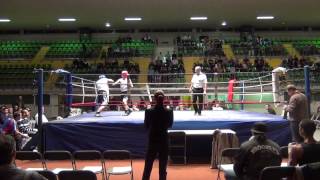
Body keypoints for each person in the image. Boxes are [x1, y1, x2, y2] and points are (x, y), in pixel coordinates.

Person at [142, 90, 173, 180]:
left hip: (153, 140)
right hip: (164, 140)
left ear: (155, 99)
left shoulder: (148, 111)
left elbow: (146, 125)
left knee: (148, 166)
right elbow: (170, 125)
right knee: (162, 168)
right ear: (164, 99)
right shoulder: (169, 111)